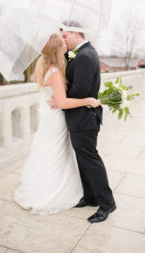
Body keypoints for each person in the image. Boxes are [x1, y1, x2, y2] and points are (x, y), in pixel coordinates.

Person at [14, 33, 101, 215]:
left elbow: (37, 81)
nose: (66, 46)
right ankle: (49, 193)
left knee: (45, 148)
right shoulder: (54, 72)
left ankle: (35, 188)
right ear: (57, 50)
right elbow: (62, 103)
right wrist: (88, 100)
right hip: (55, 116)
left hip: (45, 113)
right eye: (63, 44)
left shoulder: (40, 64)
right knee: (55, 150)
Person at [50, 21, 116, 223]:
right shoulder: (82, 54)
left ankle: (107, 203)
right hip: (79, 117)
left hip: (85, 117)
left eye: (65, 36)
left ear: (75, 33)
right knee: (83, 159)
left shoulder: (86, 55)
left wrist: (59, 97)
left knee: (91, 160)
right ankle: (91, 197)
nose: (63, 40)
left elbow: (79, 90)